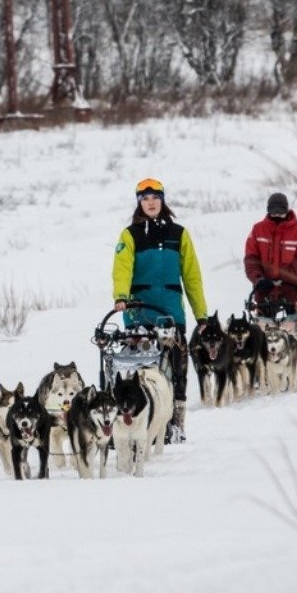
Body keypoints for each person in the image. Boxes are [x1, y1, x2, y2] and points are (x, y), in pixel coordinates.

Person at [111, 178, 208, 443]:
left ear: (162, 200)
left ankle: (176, 423)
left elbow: (192, 276)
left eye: (155, 197)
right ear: (139, 202)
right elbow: (122, 269)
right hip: (138, 311)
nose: (150, 202)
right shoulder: (129, 235)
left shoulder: (179, 234)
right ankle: (136, 420)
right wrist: (121, 296)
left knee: (177, 368)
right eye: (145, 198)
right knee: (138, 370)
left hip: (171, 313)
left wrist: (201, 314)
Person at [244, 192, 297, 333]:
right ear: (268, 210)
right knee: (264, 333)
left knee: (293, 333)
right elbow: (251, 259)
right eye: (273, 212)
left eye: (280, 212)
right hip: (264, 288)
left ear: (287, 210)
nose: (277, 215)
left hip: (291, 289)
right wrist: (258, 280)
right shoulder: (258, 230)